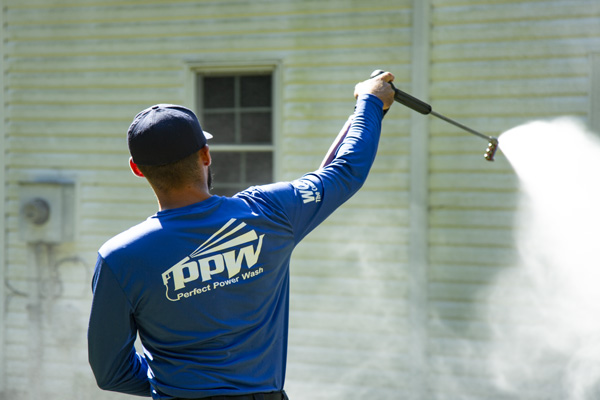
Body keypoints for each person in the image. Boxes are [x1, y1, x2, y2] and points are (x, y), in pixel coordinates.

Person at [87, 71, 396, 400]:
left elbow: (112, 373)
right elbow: (345, 170)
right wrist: (371, 101)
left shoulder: (119, 257)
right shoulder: (269, 211)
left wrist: (174, 379)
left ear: (137, 168)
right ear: (205, 154)